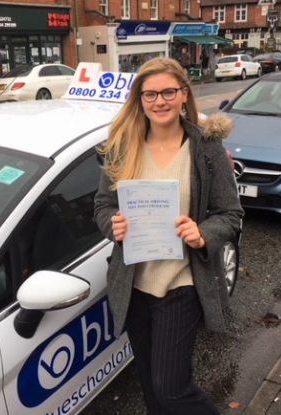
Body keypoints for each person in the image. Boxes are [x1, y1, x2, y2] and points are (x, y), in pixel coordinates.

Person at [94, 57, 243, 414]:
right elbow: (101, 205)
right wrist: (111, 224)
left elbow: (231, 215)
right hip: (134, 287)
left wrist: (202, 233)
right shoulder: (122, 146)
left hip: (181, 284)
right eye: (150, 94)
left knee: (170, 387)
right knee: (150, 384)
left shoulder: (205, 148)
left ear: (183, 95)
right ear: (139, 100)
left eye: (167, 92)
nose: (159, 101)